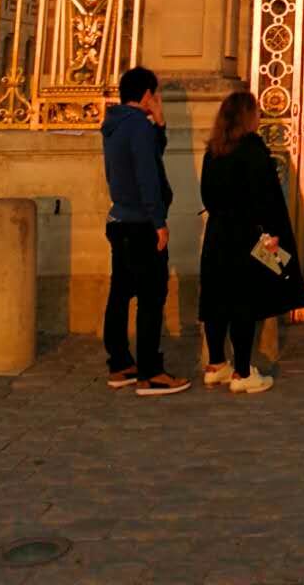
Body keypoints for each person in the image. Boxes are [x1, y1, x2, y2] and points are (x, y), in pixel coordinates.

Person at [198, 90, 304, 394]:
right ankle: (243, 371)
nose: (260, 116)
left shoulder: (213, 151)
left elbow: (207, 194)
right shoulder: (252, 149)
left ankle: (216, 364)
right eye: (256, 111)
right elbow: (266, 197)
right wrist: (273, 234)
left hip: (218, 233)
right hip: (248, 235)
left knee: (216, 300)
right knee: (243, 303)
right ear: (247, 117)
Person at [101, 66, 190, 396]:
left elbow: (148, 155)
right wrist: (159, 222)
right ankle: (150, 372)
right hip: (142, 223)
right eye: (156, 95)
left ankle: (120, 362)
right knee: (152, 296)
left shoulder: (116, 123)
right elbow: (148, 175)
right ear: (148, 95)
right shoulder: (138, 125)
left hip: (120, 219)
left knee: (121, 292)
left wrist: (160, 124)